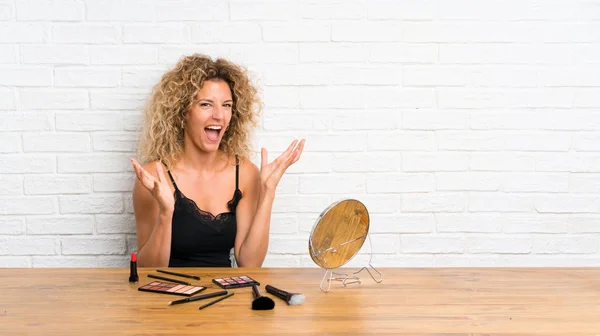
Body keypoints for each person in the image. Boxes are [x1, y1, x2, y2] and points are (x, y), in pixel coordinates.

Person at [129, 54, 305, 268]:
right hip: (170, 296)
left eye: (227, 105)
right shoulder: (153, 177)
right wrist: (166, 213)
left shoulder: (245, 173)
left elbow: (250, 264)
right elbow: (147, 272)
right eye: (206, 104)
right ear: (183, 112)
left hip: (225, 296)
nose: (219, 116)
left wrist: (267, 192)